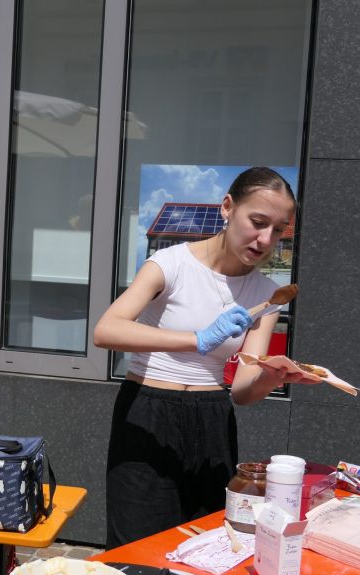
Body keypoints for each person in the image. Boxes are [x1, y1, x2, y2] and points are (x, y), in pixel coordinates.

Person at [94, 166, 320, 549]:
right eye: (258, 222)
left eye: (279, 230)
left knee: (205, 545)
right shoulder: (170, 264)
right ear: (228, 207)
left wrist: (274, 376)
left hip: (212, 419)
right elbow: (107, 330)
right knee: (137, 548)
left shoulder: (267, 293)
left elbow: (243, 391)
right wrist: (197, 338)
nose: (265, 239)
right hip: (148, 413)